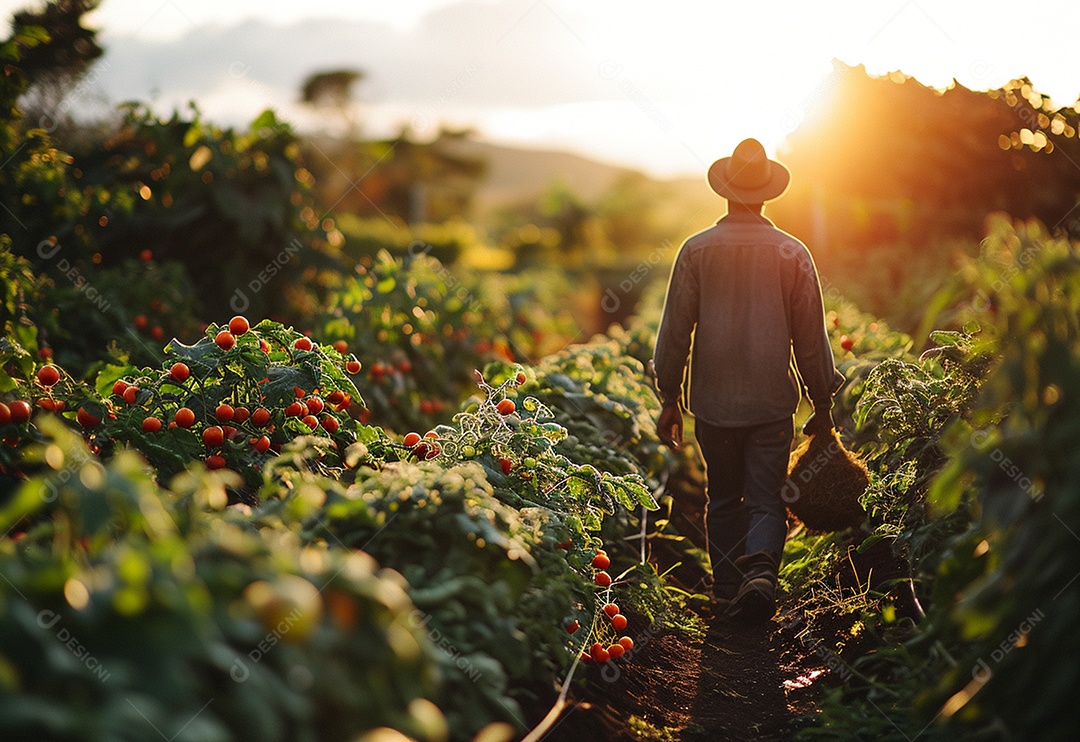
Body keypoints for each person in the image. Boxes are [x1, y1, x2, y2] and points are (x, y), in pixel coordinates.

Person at [651, 138, 844, 623]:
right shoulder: (792, 253)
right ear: (765, 196)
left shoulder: (695, 251)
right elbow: (810, 336)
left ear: (726, 193)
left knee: (723, 499)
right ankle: (761, 574)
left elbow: (674, 332)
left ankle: (726, 592)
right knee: (765, 497)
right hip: (771, 406)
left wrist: (668, 397)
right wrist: (822, 401)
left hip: (713, 406)